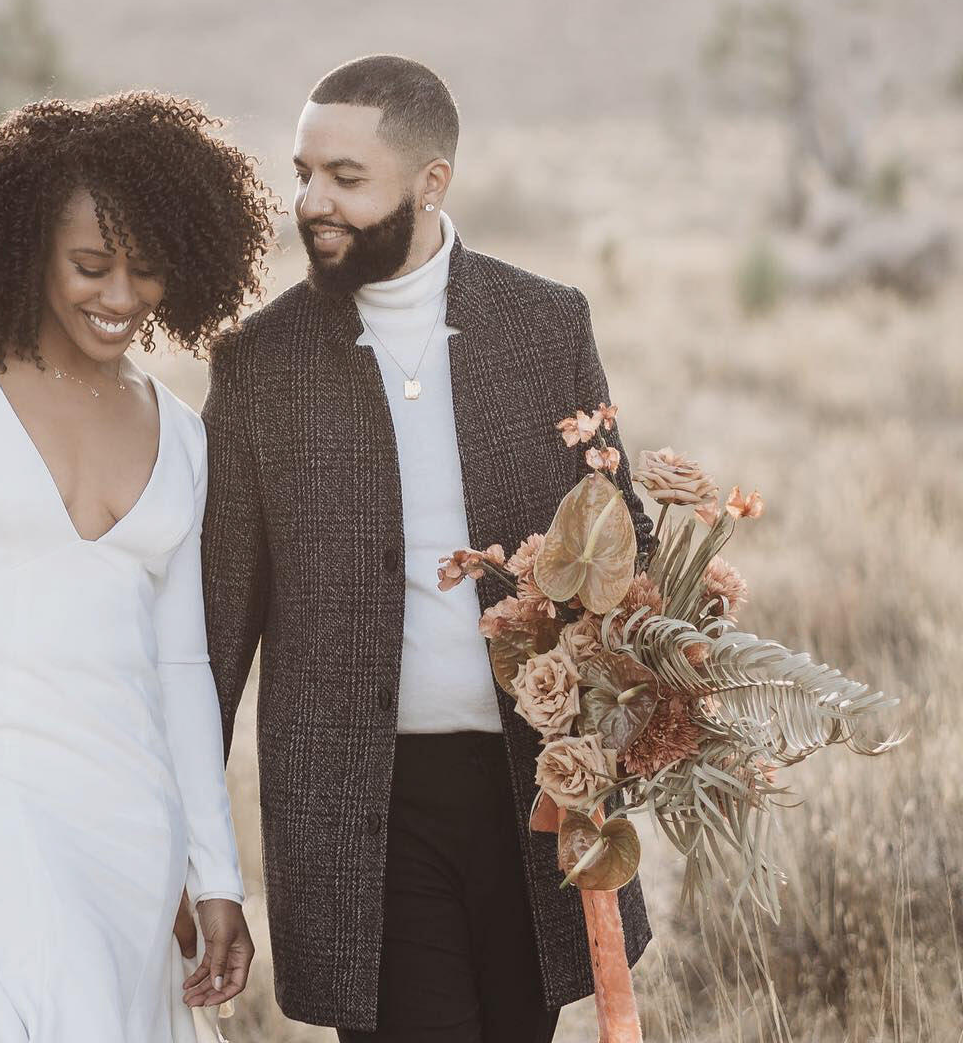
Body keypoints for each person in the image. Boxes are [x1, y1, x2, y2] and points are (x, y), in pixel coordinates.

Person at [200, 55, 655, 1042]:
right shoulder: (259, 366)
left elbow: (619, 538)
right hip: (361, 811)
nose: (311, 201)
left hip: (534, 796)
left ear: (431, 182)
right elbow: (213, 637)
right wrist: (202, 866)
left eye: (346, 179)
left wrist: (657, 682)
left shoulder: (545, 326)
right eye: (303, 172)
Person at [0, 92, 274, 1042]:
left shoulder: (184, 439)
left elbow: (183, 670)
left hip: (127, 816)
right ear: (28, 246)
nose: (119, 298)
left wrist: (216, 871)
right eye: (90, 265)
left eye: (147, 271)